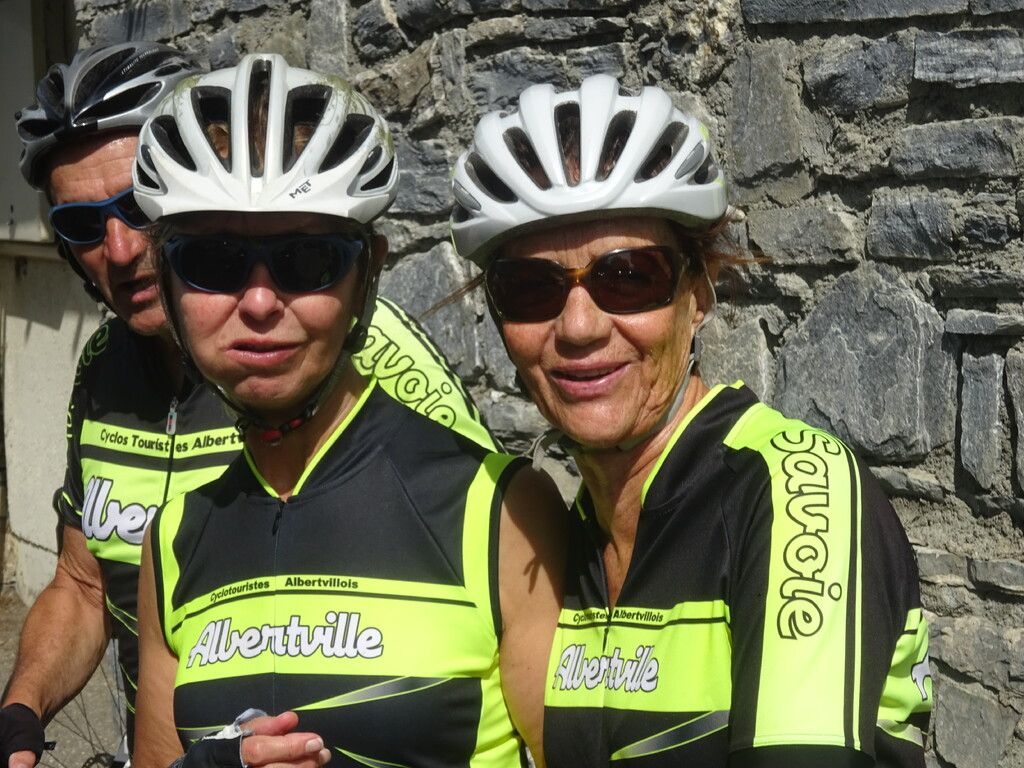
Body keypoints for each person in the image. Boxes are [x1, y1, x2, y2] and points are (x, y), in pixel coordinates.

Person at [1, 42, 495, 768]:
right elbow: (82, 583)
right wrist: (19, 710)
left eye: (134, 208)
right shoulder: (104, 367)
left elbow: (475, 556)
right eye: (81, 224)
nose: (120, 248)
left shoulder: (356, 346)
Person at [449, 74, 933, 767]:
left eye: (628, 277)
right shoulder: (568, 536)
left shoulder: (796, 491)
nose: (580, 327)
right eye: (530, 288)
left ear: (699, 294)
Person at [129, 54, 565, 768]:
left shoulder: (500, 509)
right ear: (166, 279)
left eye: (307, 261)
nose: (260, 302)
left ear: (367, 275)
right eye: (211, 262)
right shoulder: (172, 541)